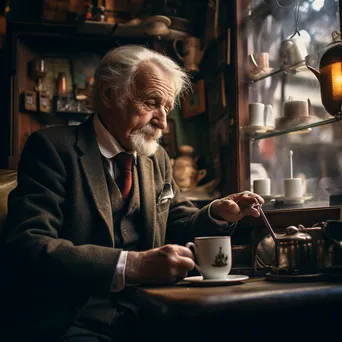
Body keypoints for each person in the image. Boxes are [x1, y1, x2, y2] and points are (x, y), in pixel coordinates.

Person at [0, 45, 263, 342]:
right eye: (152, 103)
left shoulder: (157, 158)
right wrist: (133, 265)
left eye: (167, 107)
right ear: (110, 94)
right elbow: (28, 244)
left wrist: (216, 213)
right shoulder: (52, 148)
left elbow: (177, 221)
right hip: (73, 320)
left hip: (152, 312)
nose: (163, 122)